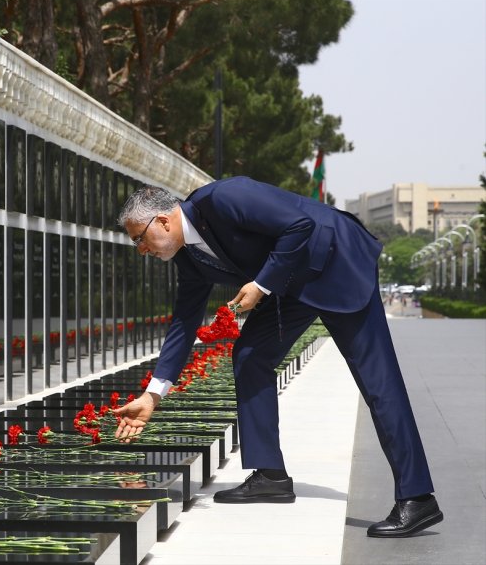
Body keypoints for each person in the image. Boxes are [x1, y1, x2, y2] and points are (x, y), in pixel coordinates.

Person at [114, 177, 443, 538]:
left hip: (336, 263)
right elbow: (184, 321)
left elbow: (299, 225)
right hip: (292, 286)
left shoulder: (223, 198)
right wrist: (153, 393)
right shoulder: (188, 256)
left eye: (139, 239)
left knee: (378, 382)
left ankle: (417, 498)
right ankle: (269, 475)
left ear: (162, 221)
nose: (141, 250)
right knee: (251, 355)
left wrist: (260, 284)